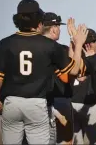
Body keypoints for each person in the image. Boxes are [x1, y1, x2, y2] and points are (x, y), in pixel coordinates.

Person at [0, 0, 87, 144]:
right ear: (39, 22)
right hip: (36, 103)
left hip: (11, 103)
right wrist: (78, 44)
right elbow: (73, 71)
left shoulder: (6, 43)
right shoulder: (49, 45)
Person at [41, 12, 74, 144]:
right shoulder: (59, 49)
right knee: (64, 141)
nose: (60, 29)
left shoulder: (33, 47)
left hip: (36, 102)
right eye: (58, 26)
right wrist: (73, 38)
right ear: (53, 28)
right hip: (59, 99)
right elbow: (70, 74)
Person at [71, 28, 96, 144]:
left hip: (88, 104)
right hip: (84, 105)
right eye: (95, 42)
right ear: (90, 43)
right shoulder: (78, 55)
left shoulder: (77, 54)